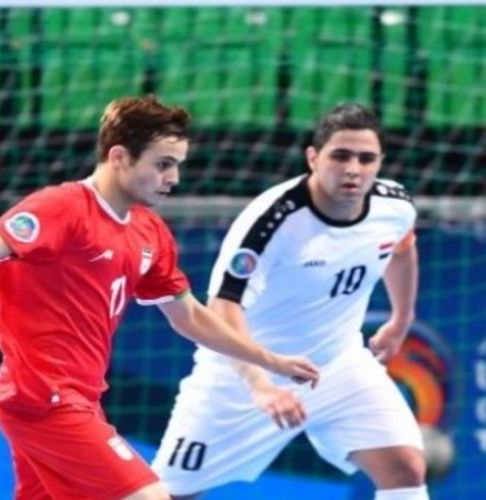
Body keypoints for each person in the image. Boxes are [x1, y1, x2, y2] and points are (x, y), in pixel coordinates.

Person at [0, 95, 320, 500]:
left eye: (177, 166)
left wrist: (270, 360)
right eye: (163, 164)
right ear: (119, 156)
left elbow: (189, 316)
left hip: (80, 397)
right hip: (42, 396)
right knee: (149, 496)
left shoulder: (149, 232)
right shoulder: (64, 207)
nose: (174, 178)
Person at [151, 103, 428, 499]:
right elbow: (223, 308)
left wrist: (402, 318)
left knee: (405, 467)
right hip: (242, 375)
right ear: (313, 158)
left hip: (338, 366)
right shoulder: (272, 221)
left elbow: (401, 248)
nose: (354, 169)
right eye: (341, 156)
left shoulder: (394, 205)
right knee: (170, 494)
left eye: (367, 159)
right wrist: (261, 385)